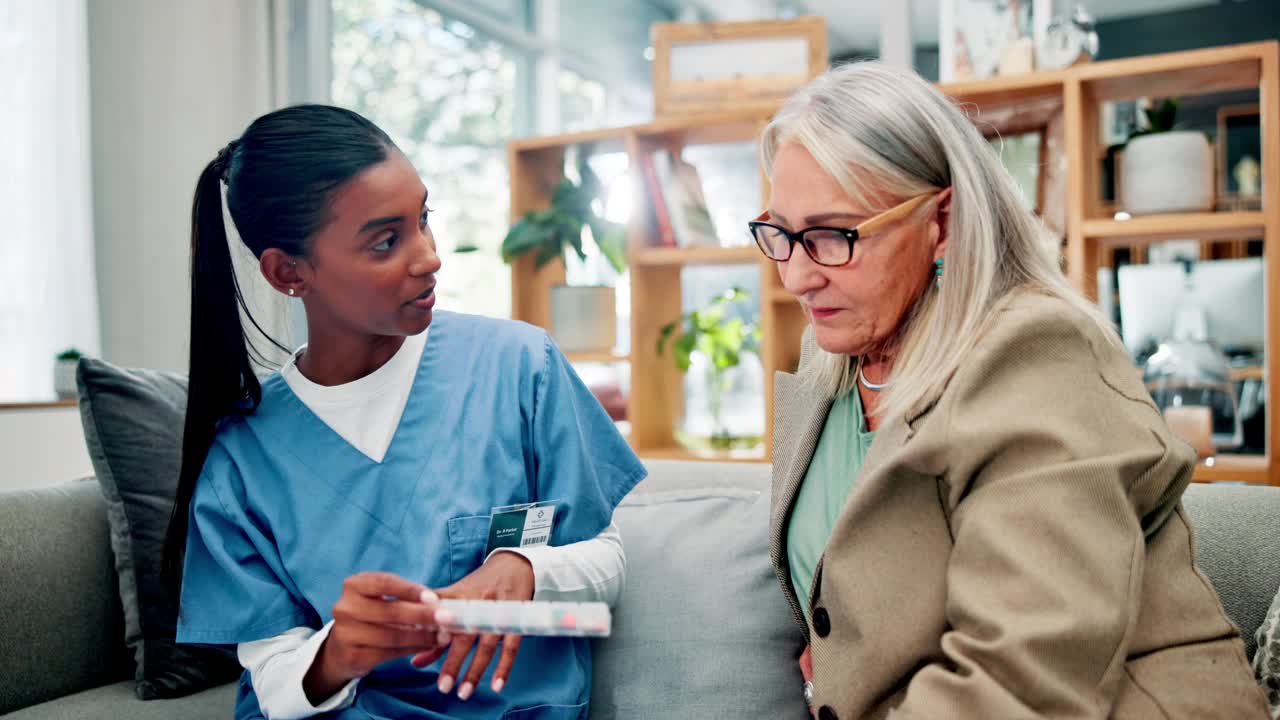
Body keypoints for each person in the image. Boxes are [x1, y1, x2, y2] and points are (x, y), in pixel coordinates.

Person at [752, 62, 1268, 719]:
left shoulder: (1036, 355)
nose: (796, 277)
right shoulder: (830, 358)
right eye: (782, 233)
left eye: (832, 236)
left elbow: (1022, 679)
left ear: (945, 221)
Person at [162, 104, 645, 720]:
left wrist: (523, 569)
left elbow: (607, 562)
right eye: (387, 241)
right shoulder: (243, 457)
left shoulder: (520, 366)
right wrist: (339, 652)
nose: (429, 256)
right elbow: (273, 678)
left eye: (424, 219)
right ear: (288, 272)